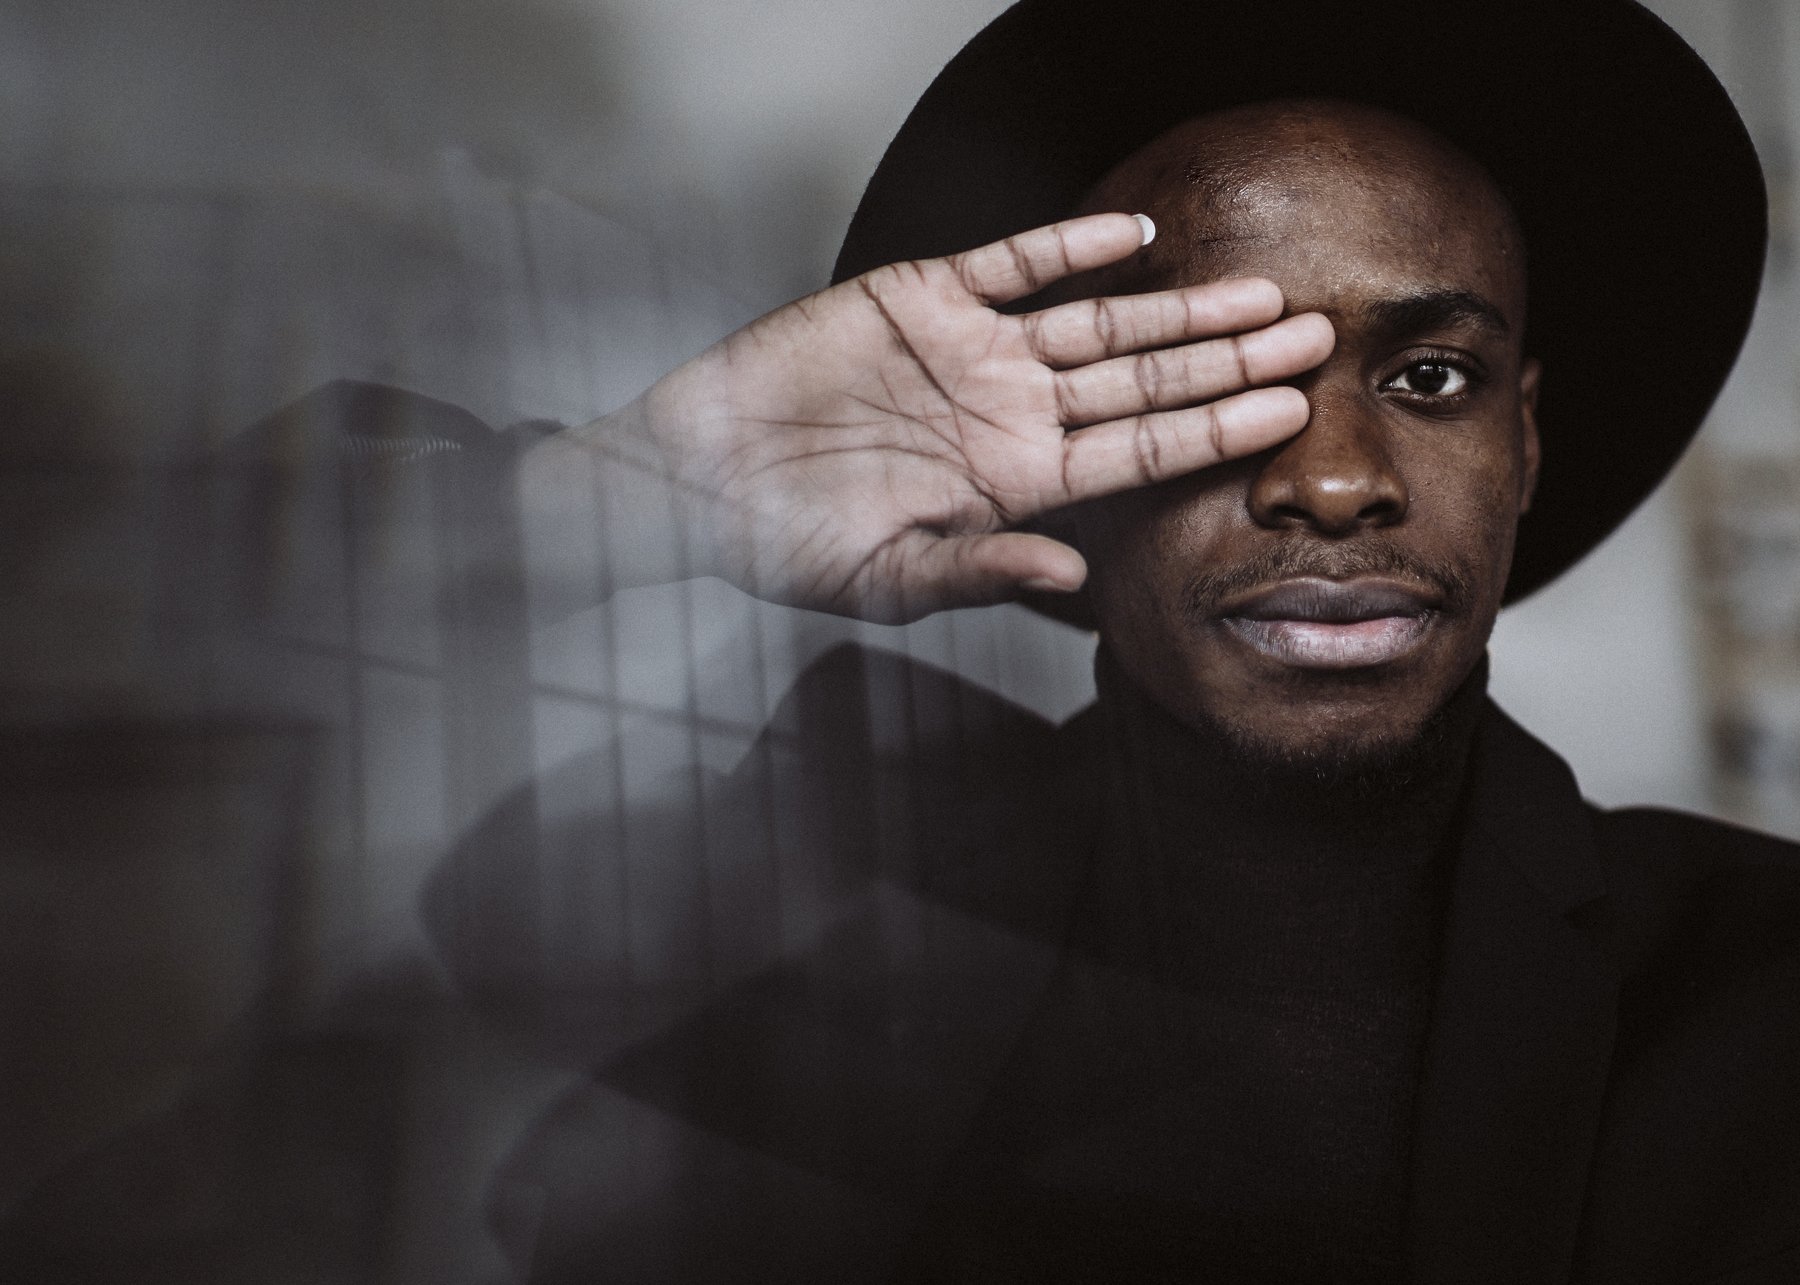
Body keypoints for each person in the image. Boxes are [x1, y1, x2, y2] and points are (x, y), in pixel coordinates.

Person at [6, 0, 1792, 1282]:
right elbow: (107, 685)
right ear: (1073, 444)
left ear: (1527, 442)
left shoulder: (1763, 990)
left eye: (1433, 377)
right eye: (1214, 386)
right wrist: (635, 487)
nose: (1333, 478)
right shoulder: (775, 937)